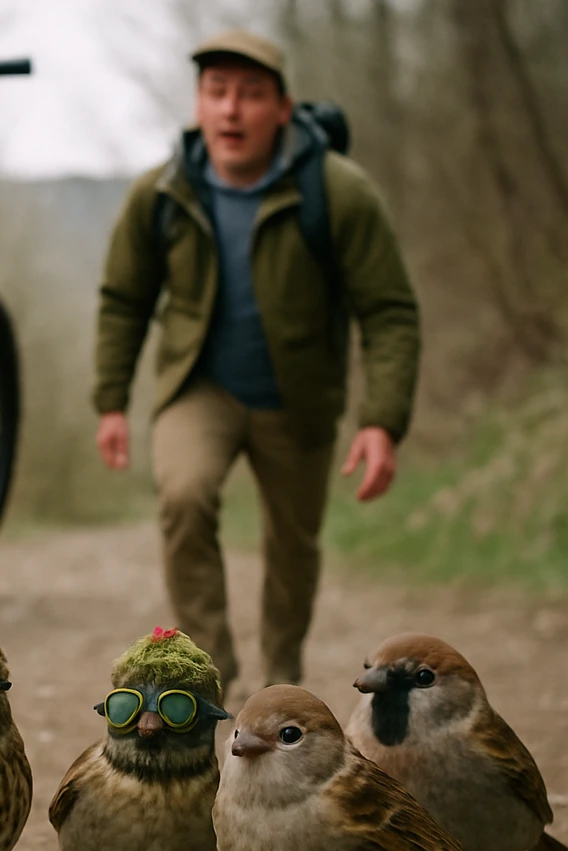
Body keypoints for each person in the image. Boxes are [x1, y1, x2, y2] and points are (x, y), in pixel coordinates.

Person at [92, 29, 420, 693]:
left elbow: (388, 311)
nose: (232, 109)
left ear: (282, 109)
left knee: (293, 544)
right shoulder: (162, 194)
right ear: (199, 105)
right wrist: (111, 401)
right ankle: (207, 675)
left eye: (251, 94)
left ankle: (281, 678)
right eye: (217, 92)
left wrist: (380, 419)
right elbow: (125, 299)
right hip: (199, 386)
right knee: (183, 496)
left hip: (297, 396)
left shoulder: (338, 192)